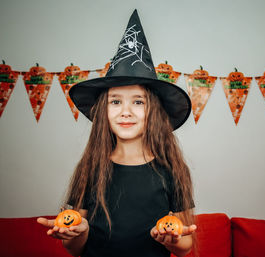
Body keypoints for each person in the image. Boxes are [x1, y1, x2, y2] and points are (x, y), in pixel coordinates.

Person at [37, 9, 196, 257]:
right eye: (115, 102)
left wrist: (171, 239)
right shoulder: (89, 168)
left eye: (138, 102)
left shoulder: (172, 169)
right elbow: (74, 248)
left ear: (153, 110)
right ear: (103, 110)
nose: (126, 112)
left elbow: (186, 246)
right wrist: (78, 232)